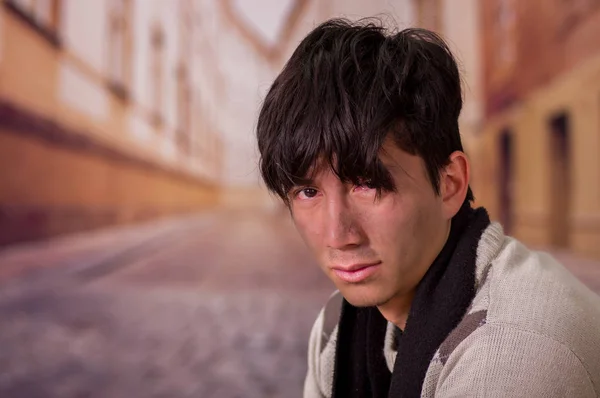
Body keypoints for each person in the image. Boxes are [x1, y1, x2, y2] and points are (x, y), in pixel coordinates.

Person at [255, 18, 600, 398]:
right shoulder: (337, 331)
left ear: (450, 184)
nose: (339, 235)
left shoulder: (511, 355)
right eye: (307, 192)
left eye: (369, 185)